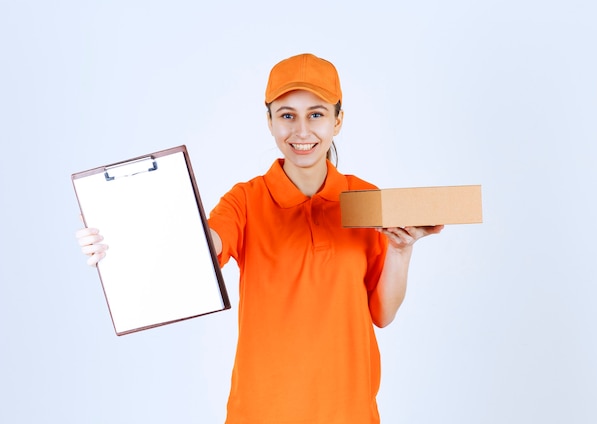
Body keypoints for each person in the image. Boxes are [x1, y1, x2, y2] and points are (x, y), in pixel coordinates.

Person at [76, 53, 443, 423]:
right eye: (287, 115)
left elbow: (382, 313)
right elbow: (201, 248)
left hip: (349, 412)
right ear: (269, 121)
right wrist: (120, 233)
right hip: (261, 412)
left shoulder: (367, 200)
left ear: (338, 120)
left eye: (316, 114)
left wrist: (400, 249)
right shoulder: (246, 200)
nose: (302, 131)